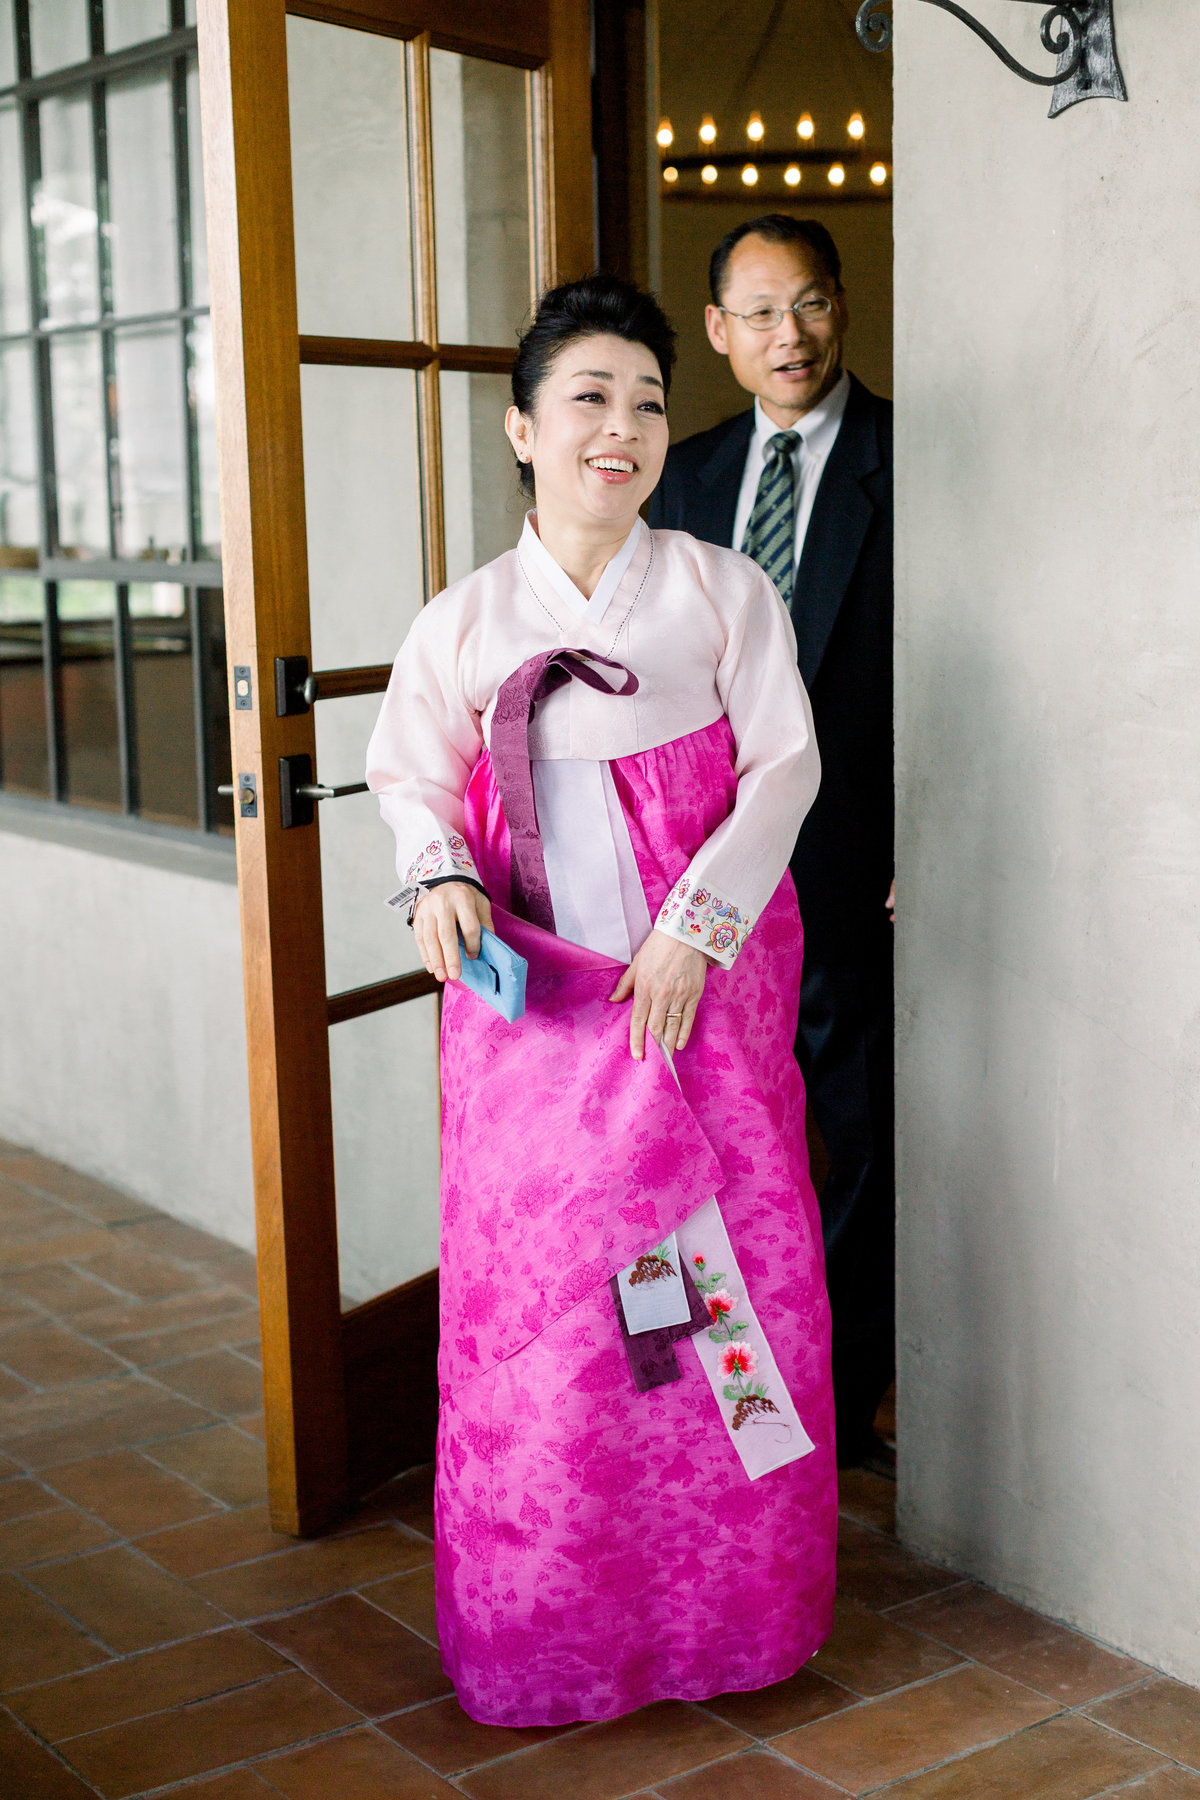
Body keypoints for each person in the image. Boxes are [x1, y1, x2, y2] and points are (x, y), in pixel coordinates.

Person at [366, 274, 835, 1727]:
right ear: (521, 428)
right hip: (537, 1040)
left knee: (717, 1296)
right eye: (588, 398)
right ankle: (564, 1630)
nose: (621, 428)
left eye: (645, 398)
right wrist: (437, 877)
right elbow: (410, 779)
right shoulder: (462, 623)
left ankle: (729, 1621)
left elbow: (788, 769)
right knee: (560, 1322)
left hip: (697, 1016)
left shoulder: (718, 592)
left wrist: (696, 931)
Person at [649, 216, 894, 1471]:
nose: (785, 335)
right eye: (757, 312)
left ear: (840, 308)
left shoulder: (910, 462)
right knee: (674, 1144)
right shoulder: (678, 479)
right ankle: (693, 1401)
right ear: (718, 333)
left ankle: (829, 1416)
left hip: (848, 866)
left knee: (848, 1137)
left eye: (806, 305)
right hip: (684, 888)